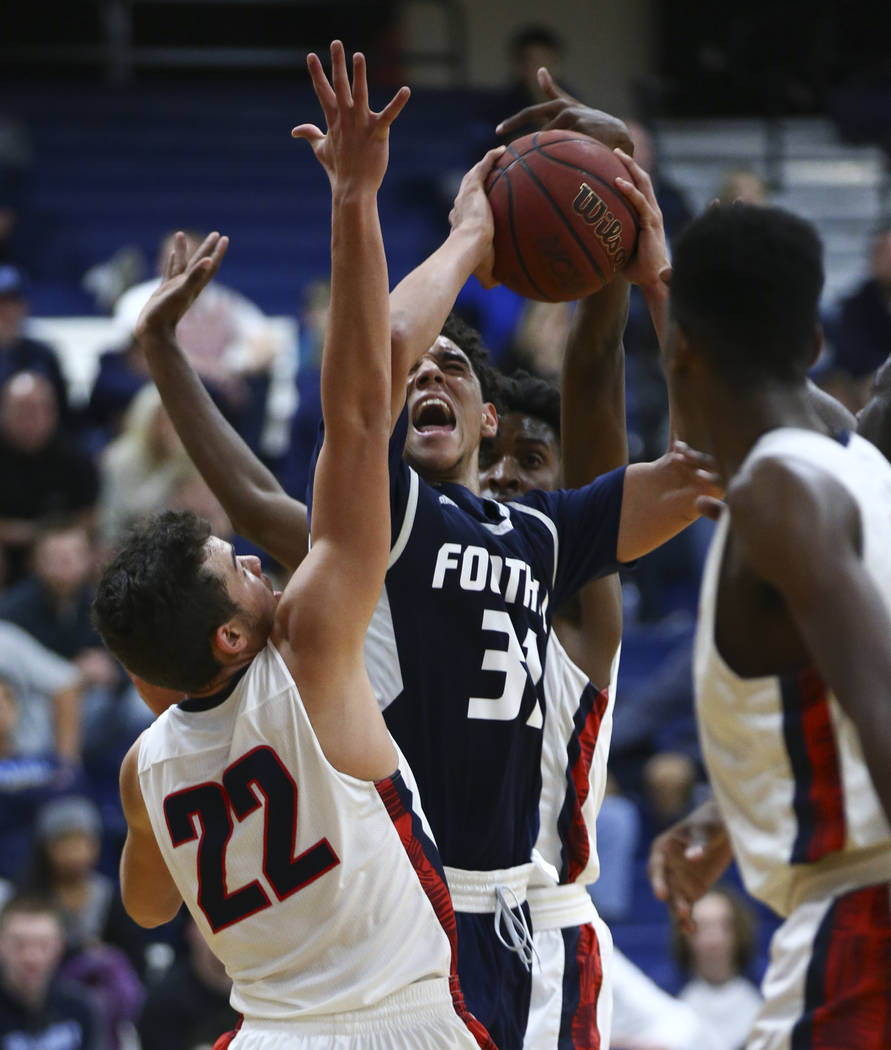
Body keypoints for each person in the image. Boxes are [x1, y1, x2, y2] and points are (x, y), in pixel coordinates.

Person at [131, 83, 718, 1050]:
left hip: (544, 914)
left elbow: (663, 446)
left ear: (489, 419)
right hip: (415, 917)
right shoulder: (385, 527)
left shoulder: (549, 542)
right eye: (422, 368)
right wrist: (167, 352)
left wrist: (634, 253)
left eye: (457, 367)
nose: (431, 374)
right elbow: (332, 417)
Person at [94, 42, 493, 1050]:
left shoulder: (146, 769)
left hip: (268, 1032)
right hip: (405, 1026)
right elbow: (360, 414)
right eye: (241, 568)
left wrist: (159, 354)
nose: (260, 560)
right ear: (231, 636)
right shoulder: (313, 646)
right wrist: (356, 196)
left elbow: (145, 908)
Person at [478, 84, 717, 1050]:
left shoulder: (573, 585)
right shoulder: (409, 557)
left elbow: (588, 375)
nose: (503, 477)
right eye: (490, 459)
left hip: (538, 928)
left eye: (531, 464)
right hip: (411, 927)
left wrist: (612, 213)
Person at [637, 194, 891, 1048]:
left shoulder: (780, 497)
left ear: (677, 350)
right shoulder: (855, 460)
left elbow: (882, 711)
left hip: (862, 928)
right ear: (814, 346)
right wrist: (726, 816)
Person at [0, 893, 104, 1050]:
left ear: (59, 947)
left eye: (43, 945)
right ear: (2, 944)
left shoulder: (80, 1007)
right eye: (19, 944)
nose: (31, 957)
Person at [673, 889, 762, 1050]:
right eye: (703, 927)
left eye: (723, 926)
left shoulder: (758, 1007)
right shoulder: (674, 1006)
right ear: (686, 938)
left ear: (737, 934)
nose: (714, 939)